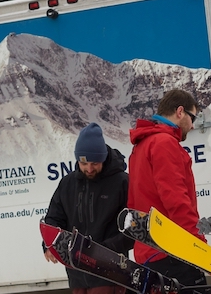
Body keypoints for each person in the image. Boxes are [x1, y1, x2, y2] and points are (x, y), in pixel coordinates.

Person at [128, 89, 207, 290]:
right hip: (173, 252)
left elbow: (133, 203)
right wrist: (198, 245)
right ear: (180, 112)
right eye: (192, 117)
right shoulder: (164, 143)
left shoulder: (142, 145)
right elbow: (177, 200)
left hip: (149, 252)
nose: (192, 125)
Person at [43, 122, 132, 294]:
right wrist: (49, 244)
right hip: (76, 273)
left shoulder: (122, 182)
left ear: (104, 158)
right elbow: (54, 218)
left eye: (94, 163)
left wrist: (104, 251)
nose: (89, 169)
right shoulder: (67, 183)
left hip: (110, 271)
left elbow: (132, 228)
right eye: (84, 163)